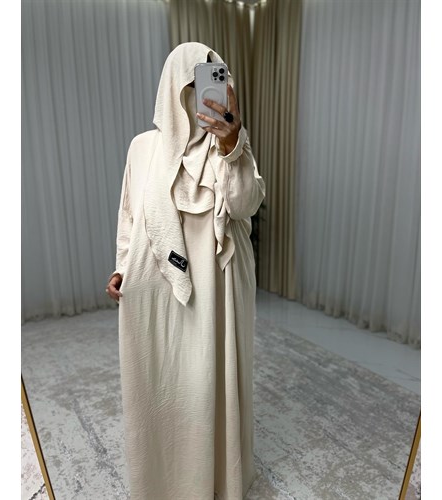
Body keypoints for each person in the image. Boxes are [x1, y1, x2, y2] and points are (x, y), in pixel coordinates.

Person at [106, 42, 265, 500]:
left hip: (217, 282)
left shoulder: (228, 143)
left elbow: (244, 204)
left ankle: (214, 476)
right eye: (194, 83)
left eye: (215, 81)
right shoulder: (143, 147)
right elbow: (130, 213)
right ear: (173, 87)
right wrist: (122, 266)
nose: (204, 93)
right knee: (161, 377)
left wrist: (232, 144)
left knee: (208, 377)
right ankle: (166, 475)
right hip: (155, 278)